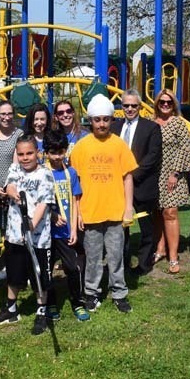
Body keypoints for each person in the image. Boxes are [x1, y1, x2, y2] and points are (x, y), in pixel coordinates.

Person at [70, 94, 138, 313]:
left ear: (112, 120)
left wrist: (128, 208)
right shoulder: (81, 146)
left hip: (115, 211)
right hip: (90, 211)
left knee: (116, 255)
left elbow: (128, 177)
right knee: (93, 257)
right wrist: (78, 212)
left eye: (106, 119)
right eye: (97, 119)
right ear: (90, 120)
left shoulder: (119, 145)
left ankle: (119, 292)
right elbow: (75, 183)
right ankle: (92, 292)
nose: (101, 123)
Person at [0, 135, 56, 335]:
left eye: (29, 153)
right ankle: (11, 309)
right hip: (15, 235)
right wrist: (12, 193)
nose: (25, 158)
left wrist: (32, 225)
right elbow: (9, 185)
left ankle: (41, 310)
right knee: (15, 272)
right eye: (21, 154)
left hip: (38, 237)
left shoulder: (45, 174)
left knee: (39, 275)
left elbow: (44, 203)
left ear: (38, 153)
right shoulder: (15, 169)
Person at [110, 89, 162, 276]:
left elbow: (153, 156)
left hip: (142, 186)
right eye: (126, 105)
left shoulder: (151, 127)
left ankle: (144, 264)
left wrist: (131, 176)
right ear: (121, 107)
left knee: (146, 228)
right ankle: (121, 262)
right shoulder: (114, 128)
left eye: (134, 105)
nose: (130, 109)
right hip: (117, 187)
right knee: (119, 230)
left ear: (140, 106)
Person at [43, 130, 89, 322]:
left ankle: (77, 302)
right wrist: (52, 215)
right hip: (45, 233)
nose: (57, 156)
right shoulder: (42, 173)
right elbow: (36, 201)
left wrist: (74, 227)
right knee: (47, 269)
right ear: (46, 152)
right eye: (53, 152)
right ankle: (50, 303)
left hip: (65, 233)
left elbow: (75, 199)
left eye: (61, 152)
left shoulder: (70, 172)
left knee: (72, 268)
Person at [151, 89, 190, 274]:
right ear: (157, 104)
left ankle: (173, 256)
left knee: (170, 213)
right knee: (157, 213)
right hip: (154, 174)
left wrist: (175, 173)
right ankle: (160, 249)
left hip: (172, 175)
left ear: (174, 104)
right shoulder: (151, 122)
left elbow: (185, 149)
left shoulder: (178, 123)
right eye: (162, 102)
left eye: (169, 102)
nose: (166, 105)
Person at [0, 100, 24, 284]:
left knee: (15, 228)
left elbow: (18, 162)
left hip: (13, 187)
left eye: (9, 113)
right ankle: (5, 264)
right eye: (2, 114)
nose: (6, 117)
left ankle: (17, 265)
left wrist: (9, 187)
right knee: (2, 228)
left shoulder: (19, 134)